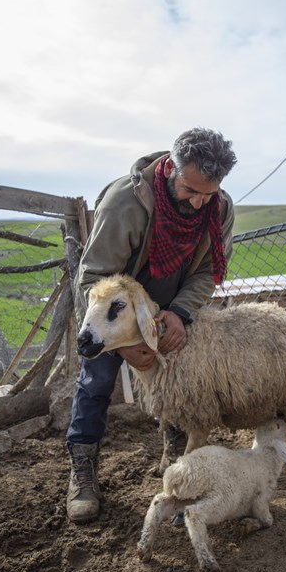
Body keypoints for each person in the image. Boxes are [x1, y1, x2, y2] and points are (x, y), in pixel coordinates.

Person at [66, 127, 238, 524]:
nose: (198, 203)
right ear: (170, 169)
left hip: (170, 308)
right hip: (115, 310)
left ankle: (175, 452)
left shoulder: (220, 207)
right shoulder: (126, 201)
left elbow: (210, 269)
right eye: (189, 190)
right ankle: (83, 471)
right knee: (96, 382)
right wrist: (121, 342)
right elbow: (93, 279)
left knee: (177, 381)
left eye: (207, 194)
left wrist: (179, 311)